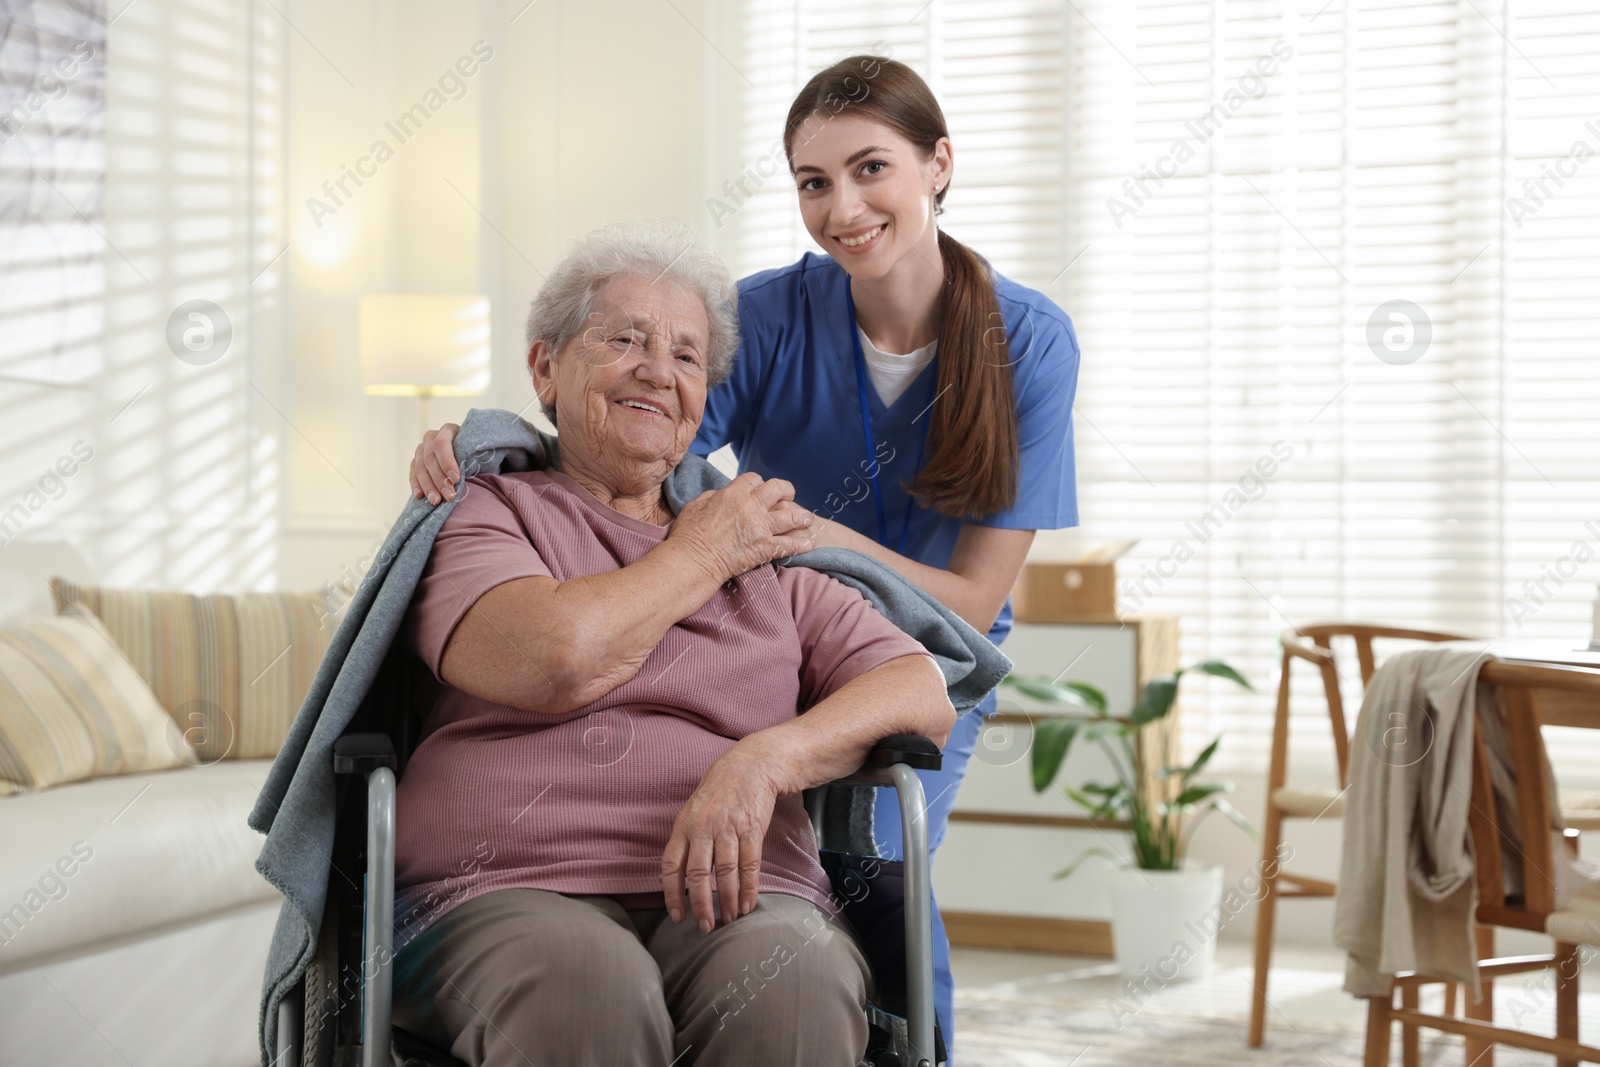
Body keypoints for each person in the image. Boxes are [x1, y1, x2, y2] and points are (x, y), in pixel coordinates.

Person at [409, 55, 1081, 1054]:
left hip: (913, 623)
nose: (841, 206)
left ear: (939, 165)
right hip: (764, 590)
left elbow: (969, 610)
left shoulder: (1024, 339)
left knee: (877, 872)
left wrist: (793, 548)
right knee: (607, 976)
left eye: (870, 169)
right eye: (813, 182)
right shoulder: (760, 316)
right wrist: (479, 447)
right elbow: (640, 438)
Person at [389, 218, 957, 1067]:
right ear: (545, 367)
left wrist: (766, 760)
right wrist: (699, 553)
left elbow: (920, 689)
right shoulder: (487, 510)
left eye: (688, 356)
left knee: (794, 978)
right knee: (588, 987)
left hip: (741, 886)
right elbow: (557, 659)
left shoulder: (761, 544)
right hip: (505, 884)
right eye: (624, 339)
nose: (660, 370)